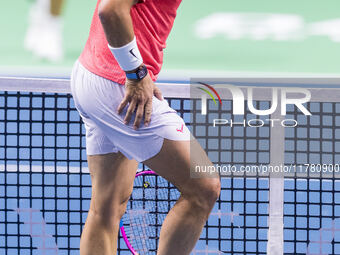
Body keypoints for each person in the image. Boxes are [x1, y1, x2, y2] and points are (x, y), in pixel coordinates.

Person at [70, 0, 221, 254]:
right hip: (117, 87)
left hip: (91, 75)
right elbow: (110, 9)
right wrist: (137, 74)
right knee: (204, 186)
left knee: (105, 208)